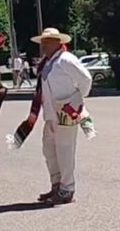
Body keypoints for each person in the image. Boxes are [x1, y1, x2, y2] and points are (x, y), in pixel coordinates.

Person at [30, 28, 92, 205]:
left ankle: (67, 189)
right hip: (51, 113)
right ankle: (56, 184)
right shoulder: (48, 63)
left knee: (65, 150)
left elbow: (85, 79)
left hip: (65, 111)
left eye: (47, 41)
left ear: (58, 42)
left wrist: (77, 99)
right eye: (42, 41)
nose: (43, 45)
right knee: (49, 150)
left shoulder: (66, 59)